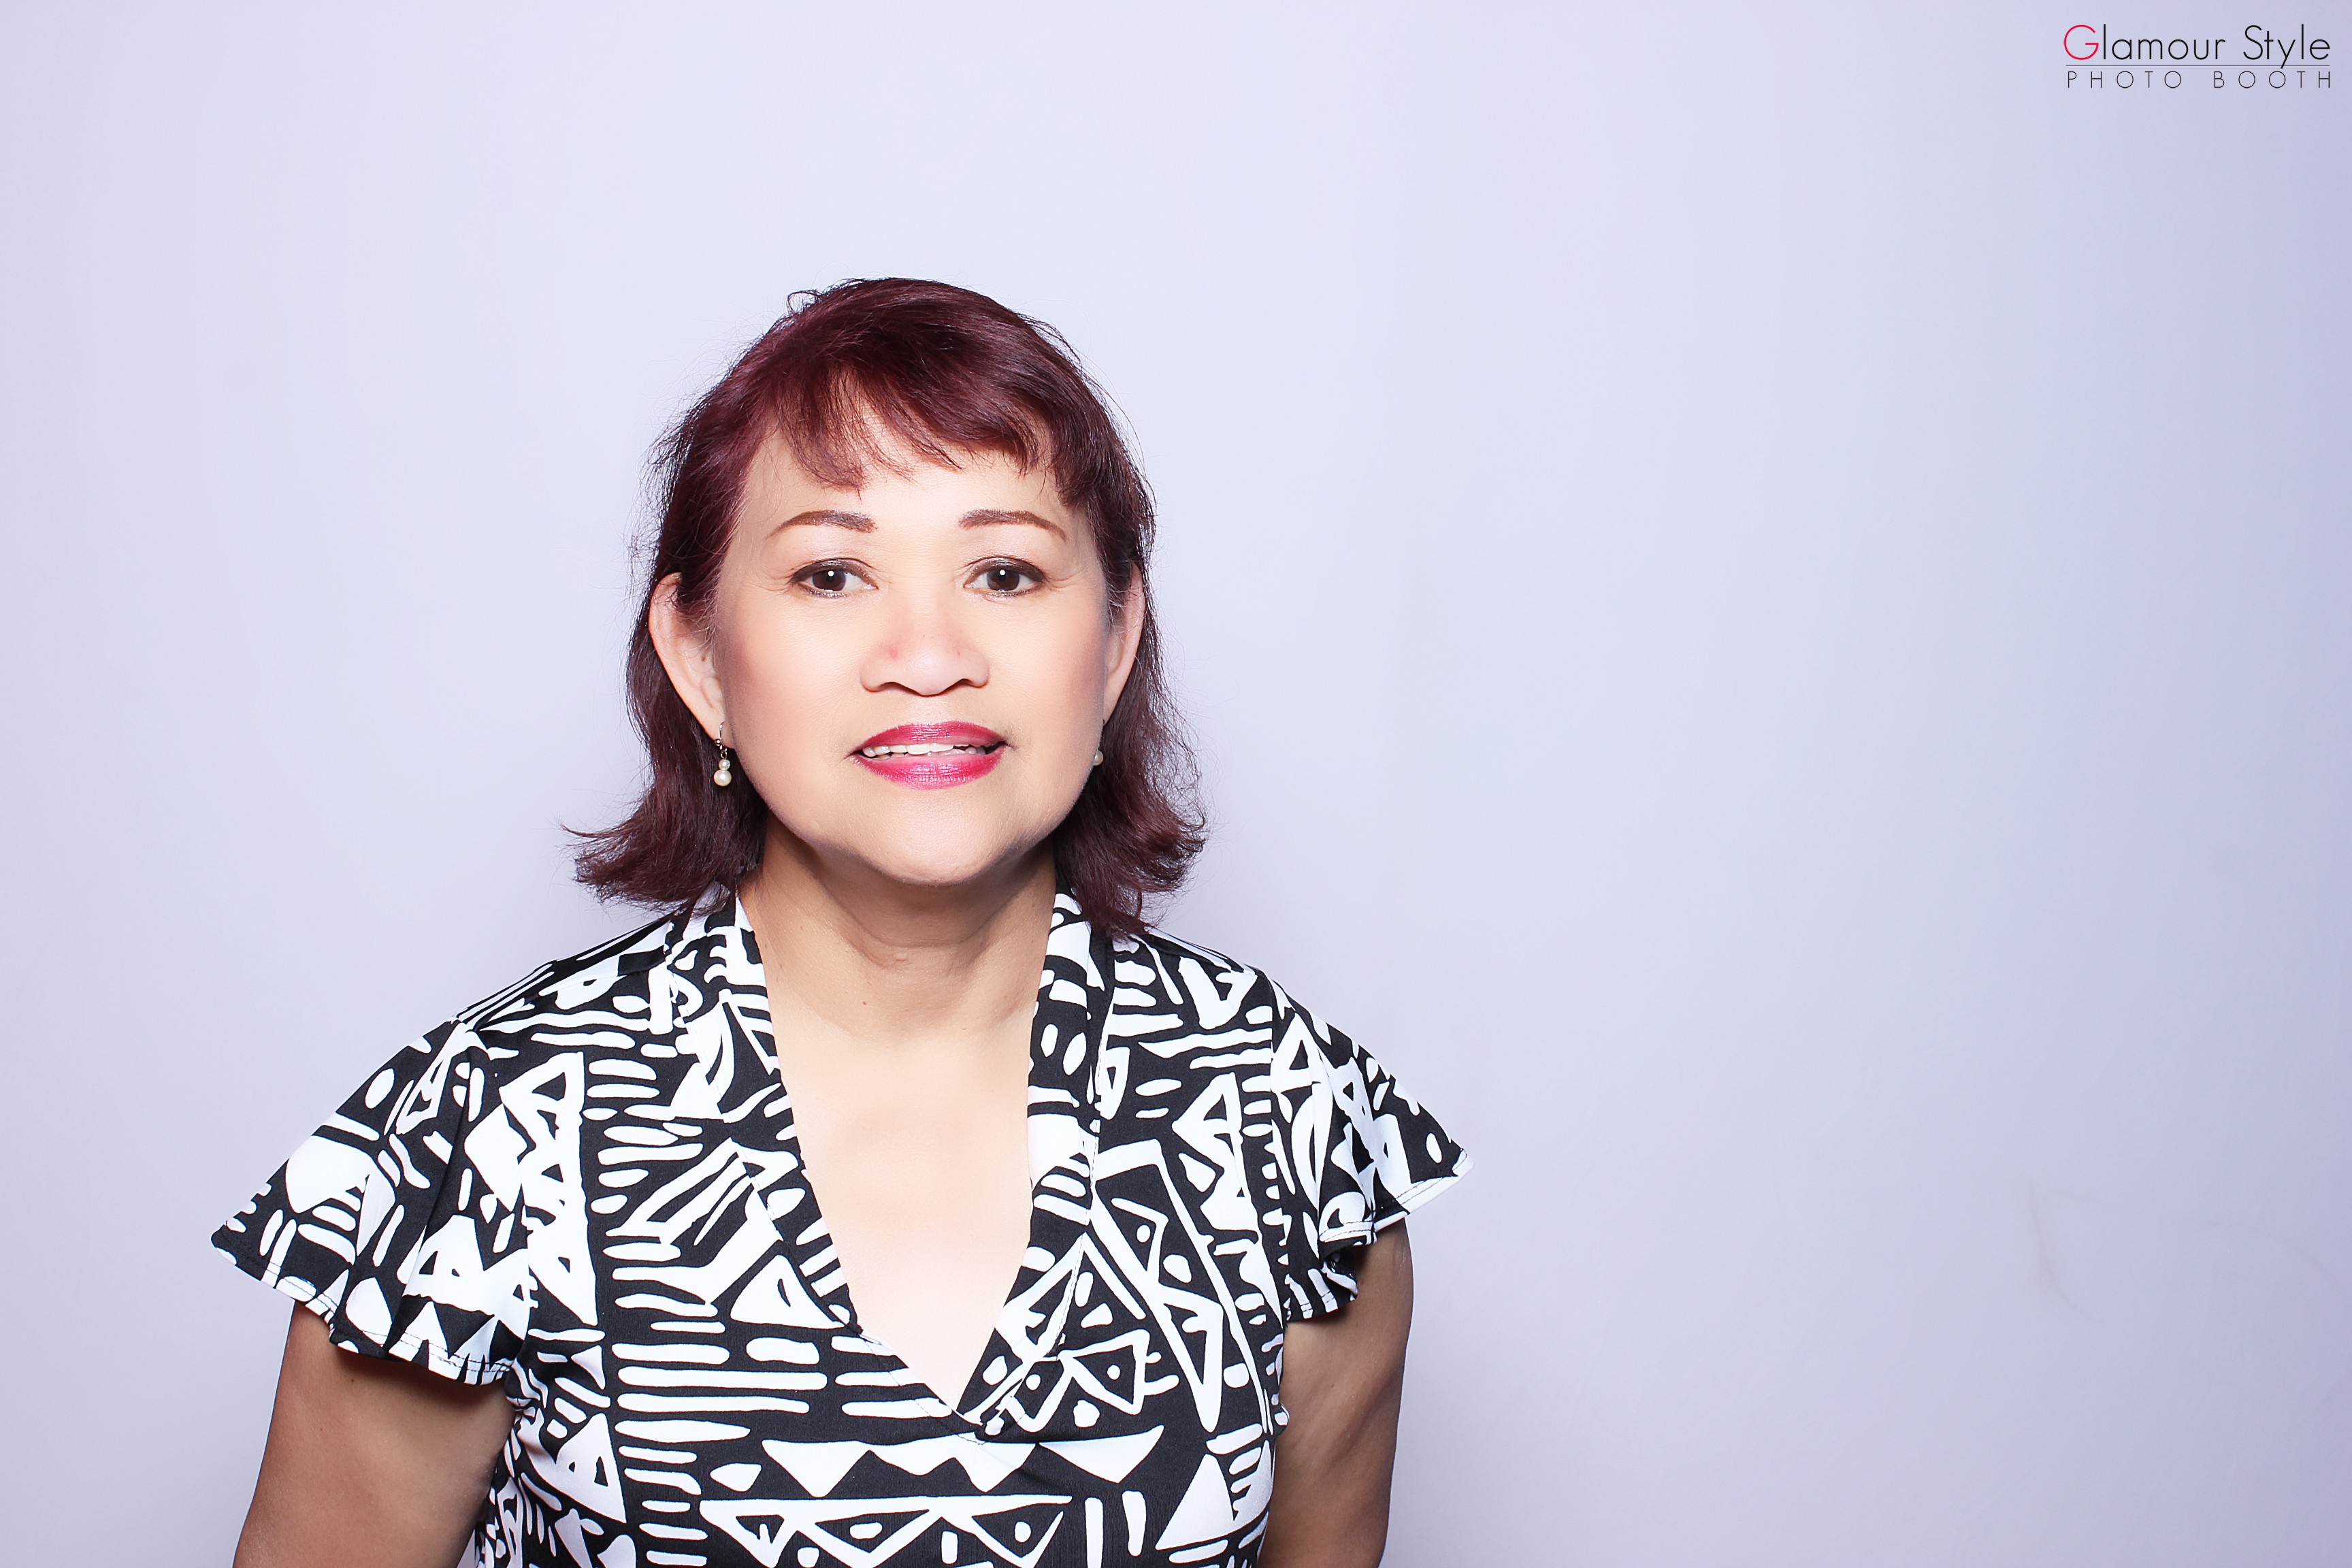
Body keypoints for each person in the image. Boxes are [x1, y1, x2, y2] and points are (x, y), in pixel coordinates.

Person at [214, 278, 1467, 1568]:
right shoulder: (492, 1131)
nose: (926, 654)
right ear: (700, 656)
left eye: (1005, 572)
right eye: (831, 573)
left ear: (1112, 641)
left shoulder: (1287, 1116)